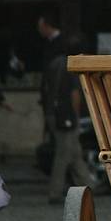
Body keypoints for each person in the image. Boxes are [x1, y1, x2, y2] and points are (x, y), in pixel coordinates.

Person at [43, 35, 95, 203]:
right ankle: (55, 192)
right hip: (66, 115)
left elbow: (45, 88)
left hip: (53, 113)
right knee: (64, 154)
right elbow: (74, 94)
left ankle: (88, 184)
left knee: (75, 152)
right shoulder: (70, 66)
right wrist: (77, 116)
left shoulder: (54, 64)